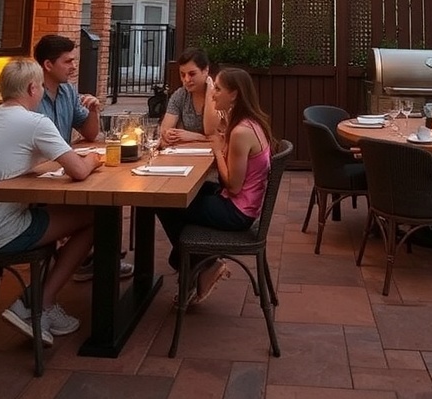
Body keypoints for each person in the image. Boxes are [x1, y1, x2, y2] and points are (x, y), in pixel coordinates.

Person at [0, 59, 102, 346]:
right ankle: (38, 304)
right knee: (96, 216)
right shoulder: (34, 122)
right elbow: (79, 170)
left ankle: (37, 299)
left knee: (66, 212)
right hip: (1, 233)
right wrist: (97, 158)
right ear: (32, 88)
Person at [156, 66, 275, 302]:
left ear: (235, 94)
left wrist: (217, 150)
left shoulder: (241, 131)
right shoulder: (249, 122)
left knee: (165, 203)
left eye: (218, 89)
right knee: (189, 192)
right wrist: (219, 141)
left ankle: (197, 263)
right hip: (240, 204)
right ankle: (194, 261)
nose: (213, 94)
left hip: (238, 213)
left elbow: (233, 186)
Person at [33, 32, 133, 282]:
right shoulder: (32, 97)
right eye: (68, 61)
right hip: (36, 177)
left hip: (63, 170)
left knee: (109, 193)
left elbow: (90, 133)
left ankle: (95, 258)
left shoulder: (67, 91)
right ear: (48, 65)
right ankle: (87, 259)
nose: (74, 66)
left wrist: (93, 109)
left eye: (74, 60)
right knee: (101, 206)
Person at [160, 47, 220, 146]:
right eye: (183, 75)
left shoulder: (219, 94)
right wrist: (168, 135)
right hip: (190, 153)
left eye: (192, 74)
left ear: (205, 70)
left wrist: (210, 88)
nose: (186, 80)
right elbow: (164, 131)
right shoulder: (180, 95)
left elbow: (212, 132)